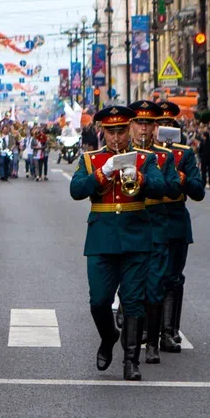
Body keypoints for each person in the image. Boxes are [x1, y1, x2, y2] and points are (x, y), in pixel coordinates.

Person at [69, 105, 164, 381]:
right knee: (99, 301)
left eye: (121, 131)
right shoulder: (90, 160)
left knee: (134, 301)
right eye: (111, 132)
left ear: (130, 129)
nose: (116, 138)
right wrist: (102, 173)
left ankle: (131, 361)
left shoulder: (145, 159)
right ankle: (108, 335)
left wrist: (142, 178)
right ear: (103, 132)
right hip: (102, 238)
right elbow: (76, 190)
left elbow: (162, 188)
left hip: (136, 236)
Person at [126, 100, 181, 364]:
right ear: (131, 125)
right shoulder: (123, 155)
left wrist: (168, 179)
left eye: (149, 124)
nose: (144, 129)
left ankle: (153, 343)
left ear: (155, 127)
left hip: (156, 226)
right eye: (139, 123)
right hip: (129, 224)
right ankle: (133, 336)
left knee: (155, 286)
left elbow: (172, 188)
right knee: (132, 286)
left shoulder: (164, 156)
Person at [156, 101, 206, 350]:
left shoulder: (184, 153)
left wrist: (182, 177)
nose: (163, 129)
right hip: (149, 217)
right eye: (159, 125)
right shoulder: (143, 151)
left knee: (173, 278)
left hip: (175, 218)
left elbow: (198, 192)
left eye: (168, 125)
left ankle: (168, 330)